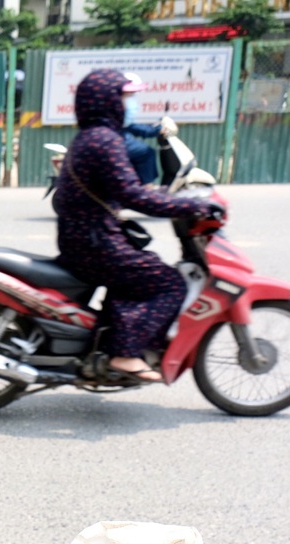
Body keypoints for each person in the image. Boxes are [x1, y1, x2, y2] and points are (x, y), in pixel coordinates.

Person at [52, 68, 221, 383]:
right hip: (95, 243)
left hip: (86, 238)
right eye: (127, 97)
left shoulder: (93, 136)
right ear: (107, 101)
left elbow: (125, 190)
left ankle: (106, 348)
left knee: (136, 277)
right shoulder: (105, 141)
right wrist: (192, 204)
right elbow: (132, 194)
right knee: (170, 284)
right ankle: (125, 354)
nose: (132, 103)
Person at [120, 72, 162, 187]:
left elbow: (133, 127)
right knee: (146, 152)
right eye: (130, 95)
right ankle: (147, 189)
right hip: (118, 142)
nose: (132, 99)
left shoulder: (122, 119)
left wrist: (157, 130)